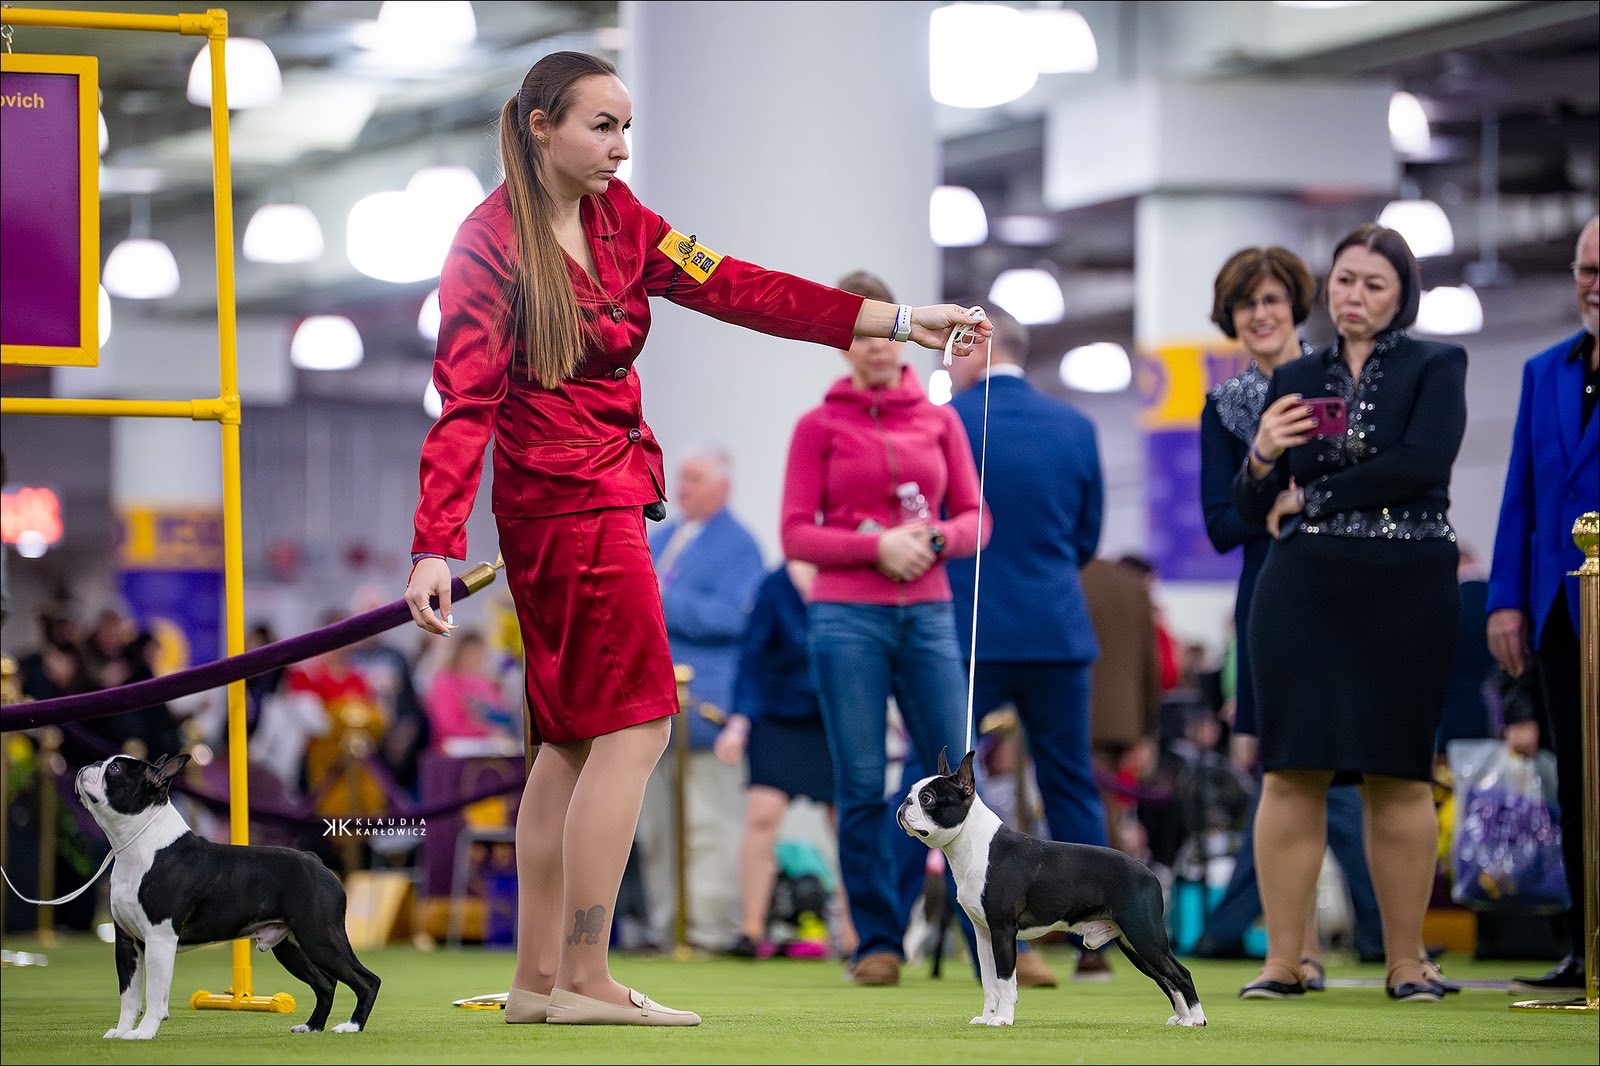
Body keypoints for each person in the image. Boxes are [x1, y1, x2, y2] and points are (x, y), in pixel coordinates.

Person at [404, 52, 990, 1027]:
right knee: (635, 725)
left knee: (567, 741)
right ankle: (588, 979)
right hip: (569, 510)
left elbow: (745, 288)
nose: (620, 148)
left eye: (626, 128)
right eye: (601, 126)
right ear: (540, 124)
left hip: (589, 503)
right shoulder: (486, 243)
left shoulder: (620, 222)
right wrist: (432, 540)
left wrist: (894, 318)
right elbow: (461, 405)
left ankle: (539, 981)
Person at [1231, 223, 1466, 1003]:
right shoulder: (1295, 373)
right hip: (1303, 588)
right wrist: (1263, 453)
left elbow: (1422, 465)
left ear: (1401, 296)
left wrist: (1315, 494)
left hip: (1407, 582)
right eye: (1344, 280)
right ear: (1326, 287)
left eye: (1373, 284)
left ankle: (1405, 960)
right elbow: (1248, 507)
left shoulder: (1438, 364)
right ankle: (1283, 960)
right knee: (1290, 771)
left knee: (1397, 771)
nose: (1354, 296)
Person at [779, 269, 989, 988]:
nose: (875, 348)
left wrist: (932, 540)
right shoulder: (816, 426)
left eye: (884, 333)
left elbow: (975, 517)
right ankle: (877, 940)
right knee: (863, 784)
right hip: (846, 619)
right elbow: (795, 535)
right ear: (845, 343)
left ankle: (986, 936)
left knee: (960, 773)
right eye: (859, 333)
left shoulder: (939, 420)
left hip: (928, 609)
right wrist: (874, 546)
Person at [1193, 246, 1383, 978]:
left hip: (1351, 594)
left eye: (1272, 300)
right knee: (1285, 775)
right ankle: (1295, 948)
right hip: (1268, 599)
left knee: (1354, 776)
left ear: (1296, 305)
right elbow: (1219, 523)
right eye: (1246, 305)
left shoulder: (1348, 383)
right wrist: (1272, 501)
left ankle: (1385, 941)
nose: (1261, 315)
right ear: (1231, 319)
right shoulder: (1225, 407)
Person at [943, 303, 1109, 982]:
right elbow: (1087, 538)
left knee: (944, 779)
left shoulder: (947, 421)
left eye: (951, 351)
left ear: (976, 347)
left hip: (969, 629)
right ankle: (1095, 942)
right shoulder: (1076, 426)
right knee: (1071, 782)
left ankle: (898, 940)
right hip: (1055, 627)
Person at [1487, 214, 1599, 998]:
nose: (1594, 284)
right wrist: (1504, 602)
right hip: (1561, 614)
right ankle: (1586, 946)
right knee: (1575, 784)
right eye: (1585, 269)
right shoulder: (1545, 370)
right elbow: (1520, 496)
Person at [639, 445, 765, 953]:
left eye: (694, 478)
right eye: (681, 477)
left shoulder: (740, 545)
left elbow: (736, 617)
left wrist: (662, 598)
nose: (682, 487)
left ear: (722, 487)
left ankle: (709, 928)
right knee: (654, 829)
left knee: (708, 824)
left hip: (706, 709)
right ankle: (665, 927)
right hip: (653, 701)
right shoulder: (663, 536)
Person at [714, 559, 857, 959]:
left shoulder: (848, 575)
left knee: (848, 820)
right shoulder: (775, 585)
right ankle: (751, 930)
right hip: (777, 717)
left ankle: (855, 934)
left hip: (838, 716)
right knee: (763, 812)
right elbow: (751, 655)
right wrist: (739, 723)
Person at [1080, 555, 1162, 856]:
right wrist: (1146, 728)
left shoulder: (1067, 579)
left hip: (1071, 713)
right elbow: (1150, 667)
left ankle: (1101, 891)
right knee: (1105, 810)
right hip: (1120, 720)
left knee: (1086, 813)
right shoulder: (1133, 588)